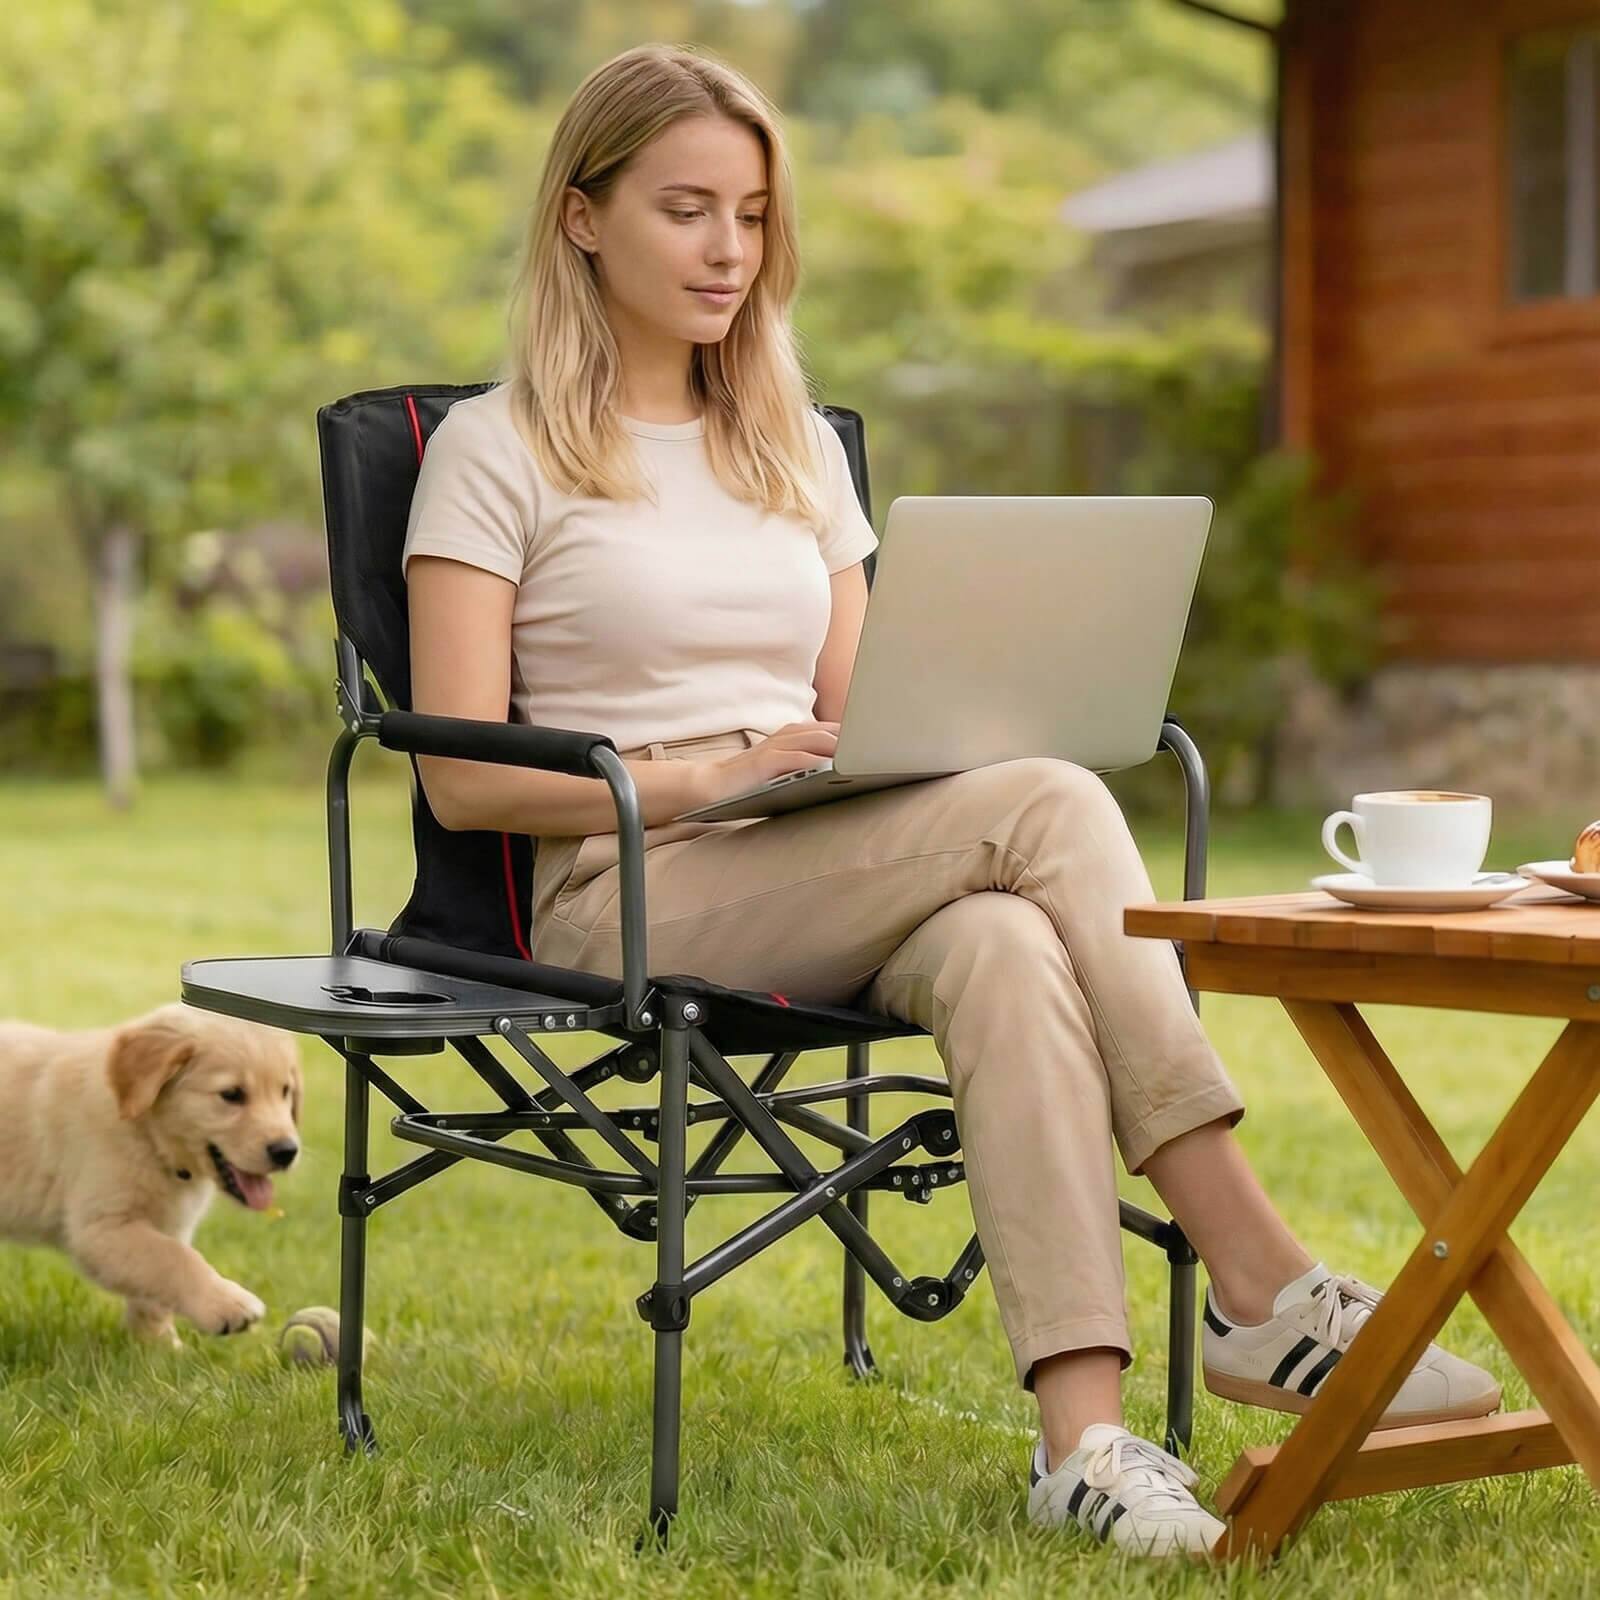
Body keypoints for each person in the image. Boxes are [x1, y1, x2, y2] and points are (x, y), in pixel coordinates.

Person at [400, 43, 1499, 1558]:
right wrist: (714, 773)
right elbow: (459, 781)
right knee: (1045, 804)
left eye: (756, 214)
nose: (732, 249)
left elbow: (874, 718)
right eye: (687, 209)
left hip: (826, 858)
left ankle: (1086, 1445)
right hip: (626, 892)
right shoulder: (493, 450)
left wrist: (919, 724)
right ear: (583, 219)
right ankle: (1260, 1280)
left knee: (1001, 941)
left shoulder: (787, 446)